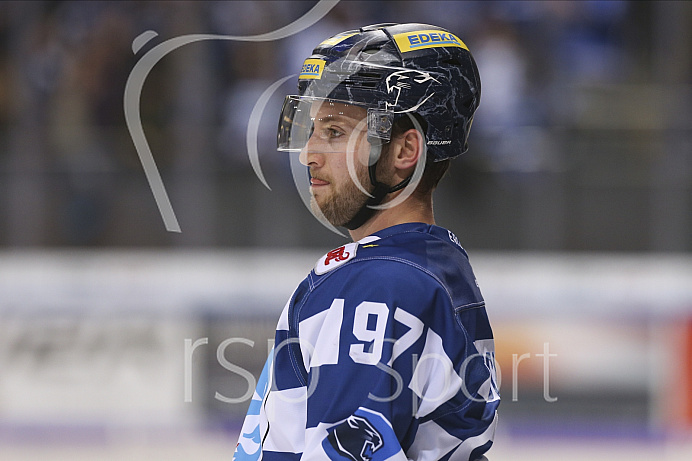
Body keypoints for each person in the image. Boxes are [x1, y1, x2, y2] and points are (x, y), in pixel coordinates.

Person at [234, 23, 499, 461]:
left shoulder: (376, 284)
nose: (309, 154)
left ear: (403, 152)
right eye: (312, 128)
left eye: (336, 132)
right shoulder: (433, 264)